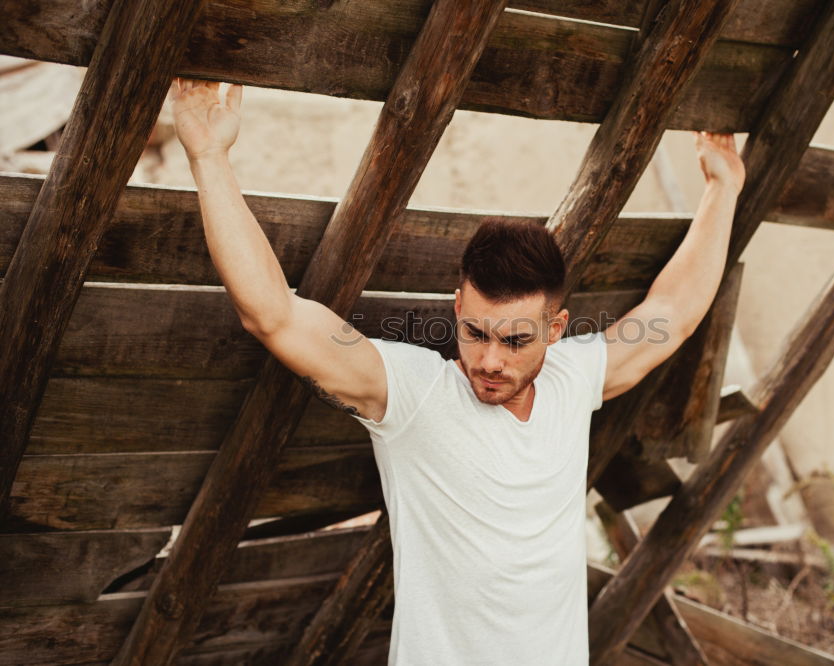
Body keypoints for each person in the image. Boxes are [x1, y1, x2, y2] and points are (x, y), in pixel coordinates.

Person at [170, 78, 745, 665]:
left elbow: (669, 317)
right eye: (474, 332)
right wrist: (208, 155)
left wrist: (722, 188)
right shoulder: (415, 395)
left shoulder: (574, 377)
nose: (490, 362)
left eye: (516, 340)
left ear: (556, 326)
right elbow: (273, 316)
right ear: (457, 310)